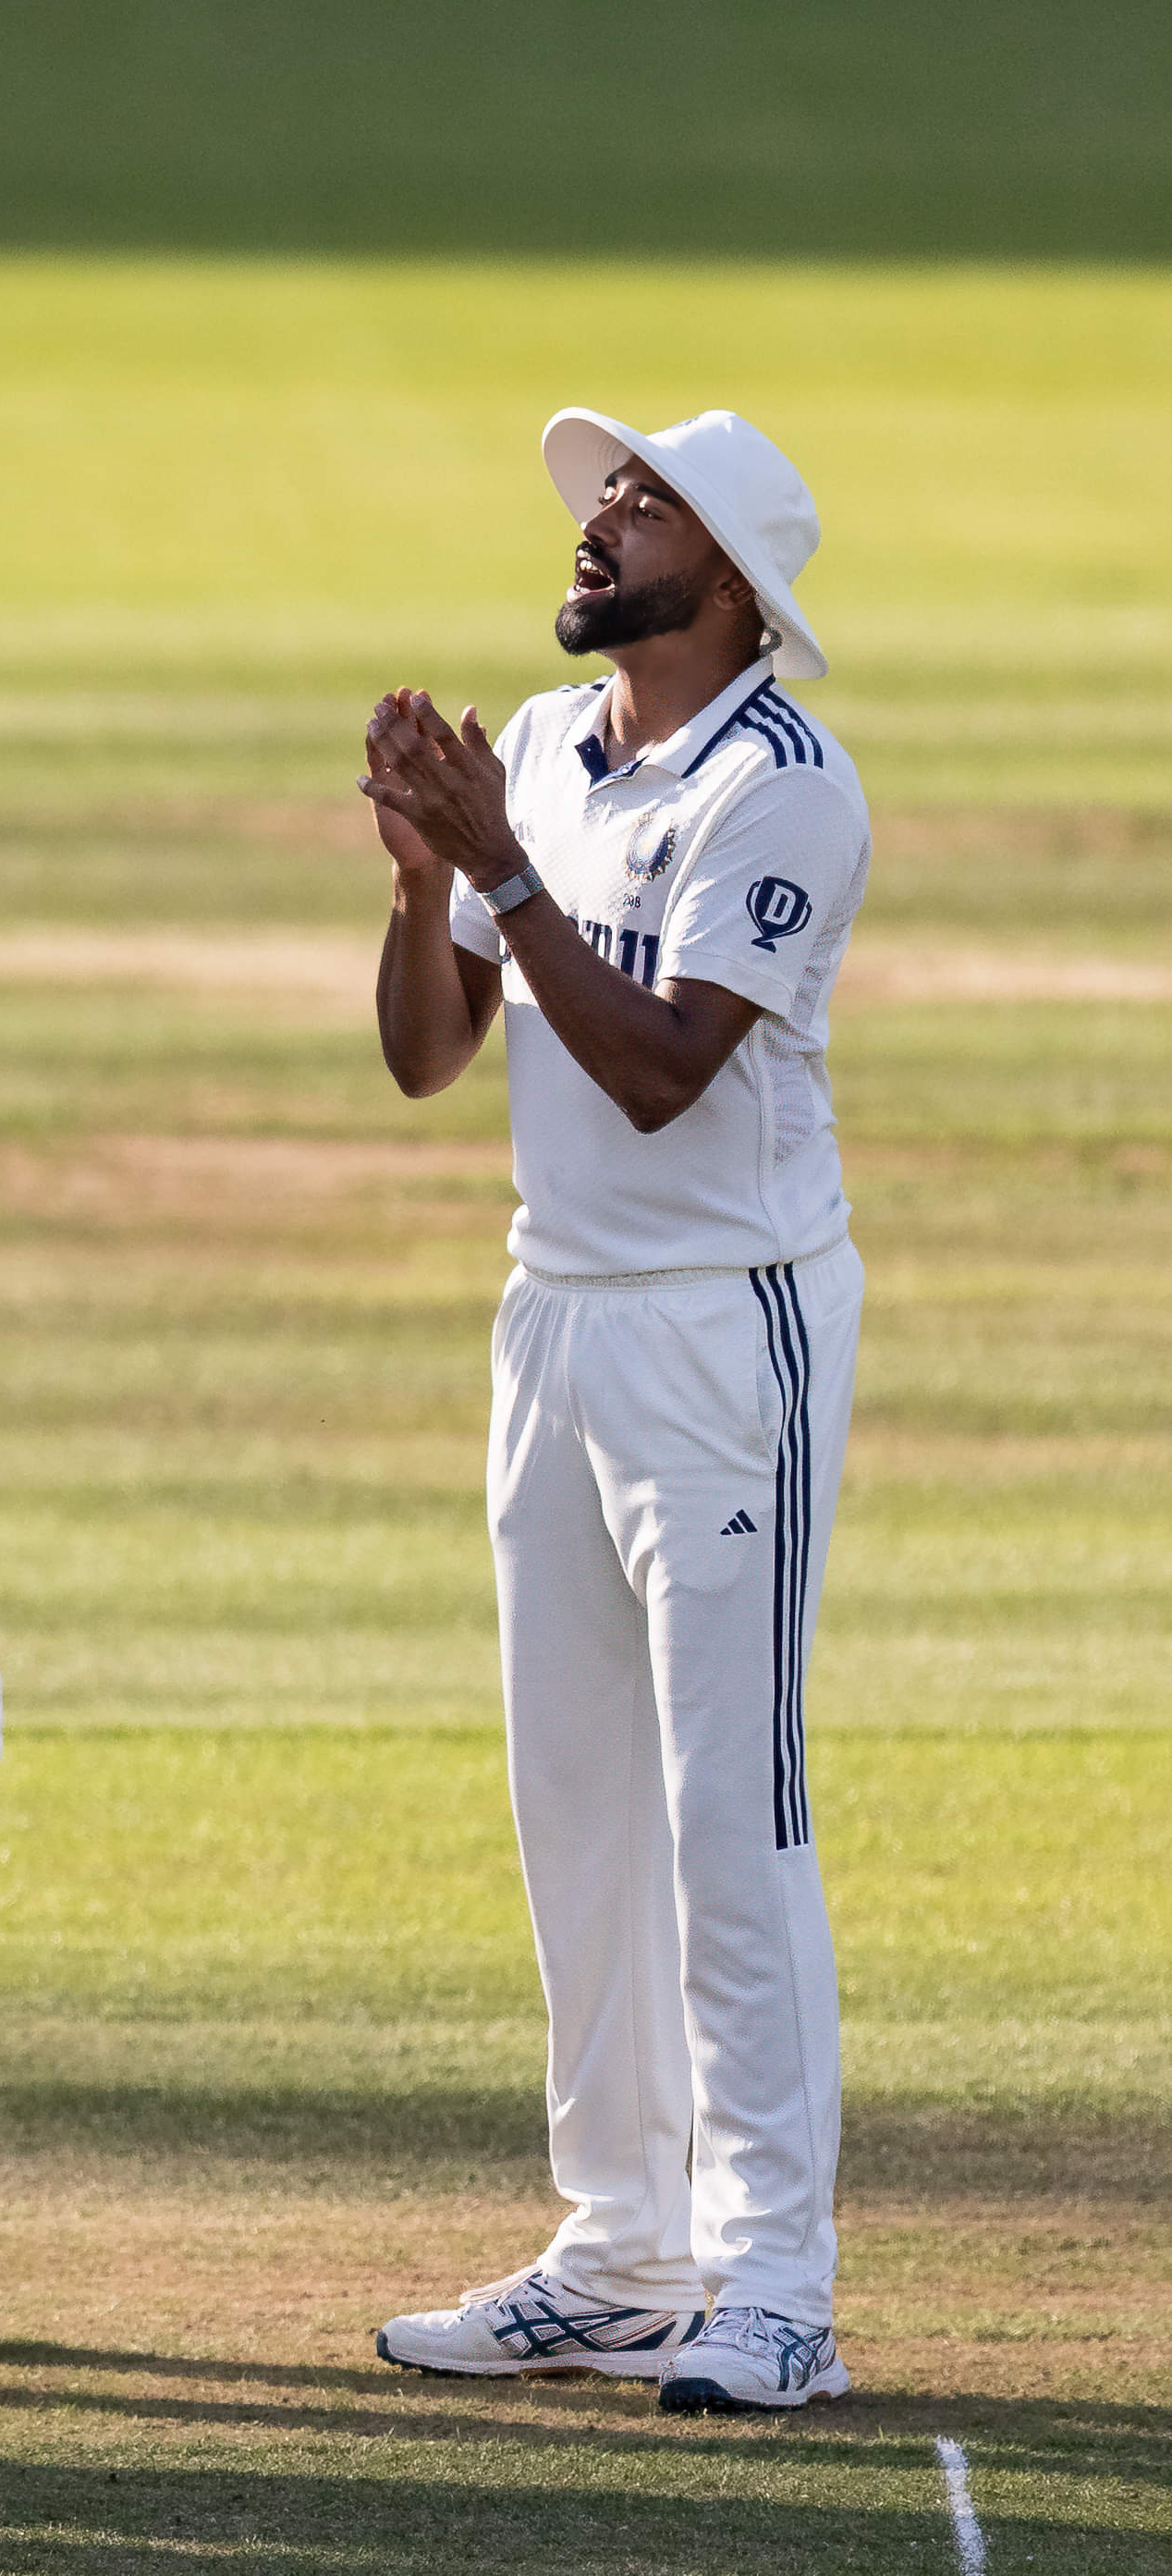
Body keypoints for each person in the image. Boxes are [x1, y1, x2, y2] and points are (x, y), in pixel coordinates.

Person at [359, 409, 871, 2415]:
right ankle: (623, 2246)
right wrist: (427, 887)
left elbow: (664, 1067)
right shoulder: (558, 759)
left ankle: (776, 2277)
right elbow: (430, 1055)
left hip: (720, 1327)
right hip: (551, 1312)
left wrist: (497, 865)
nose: (599, 523)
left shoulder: (786, 788)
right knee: (575, 1802)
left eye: (643, 506)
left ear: (730, 584)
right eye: (601, 498)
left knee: (725, 1812)